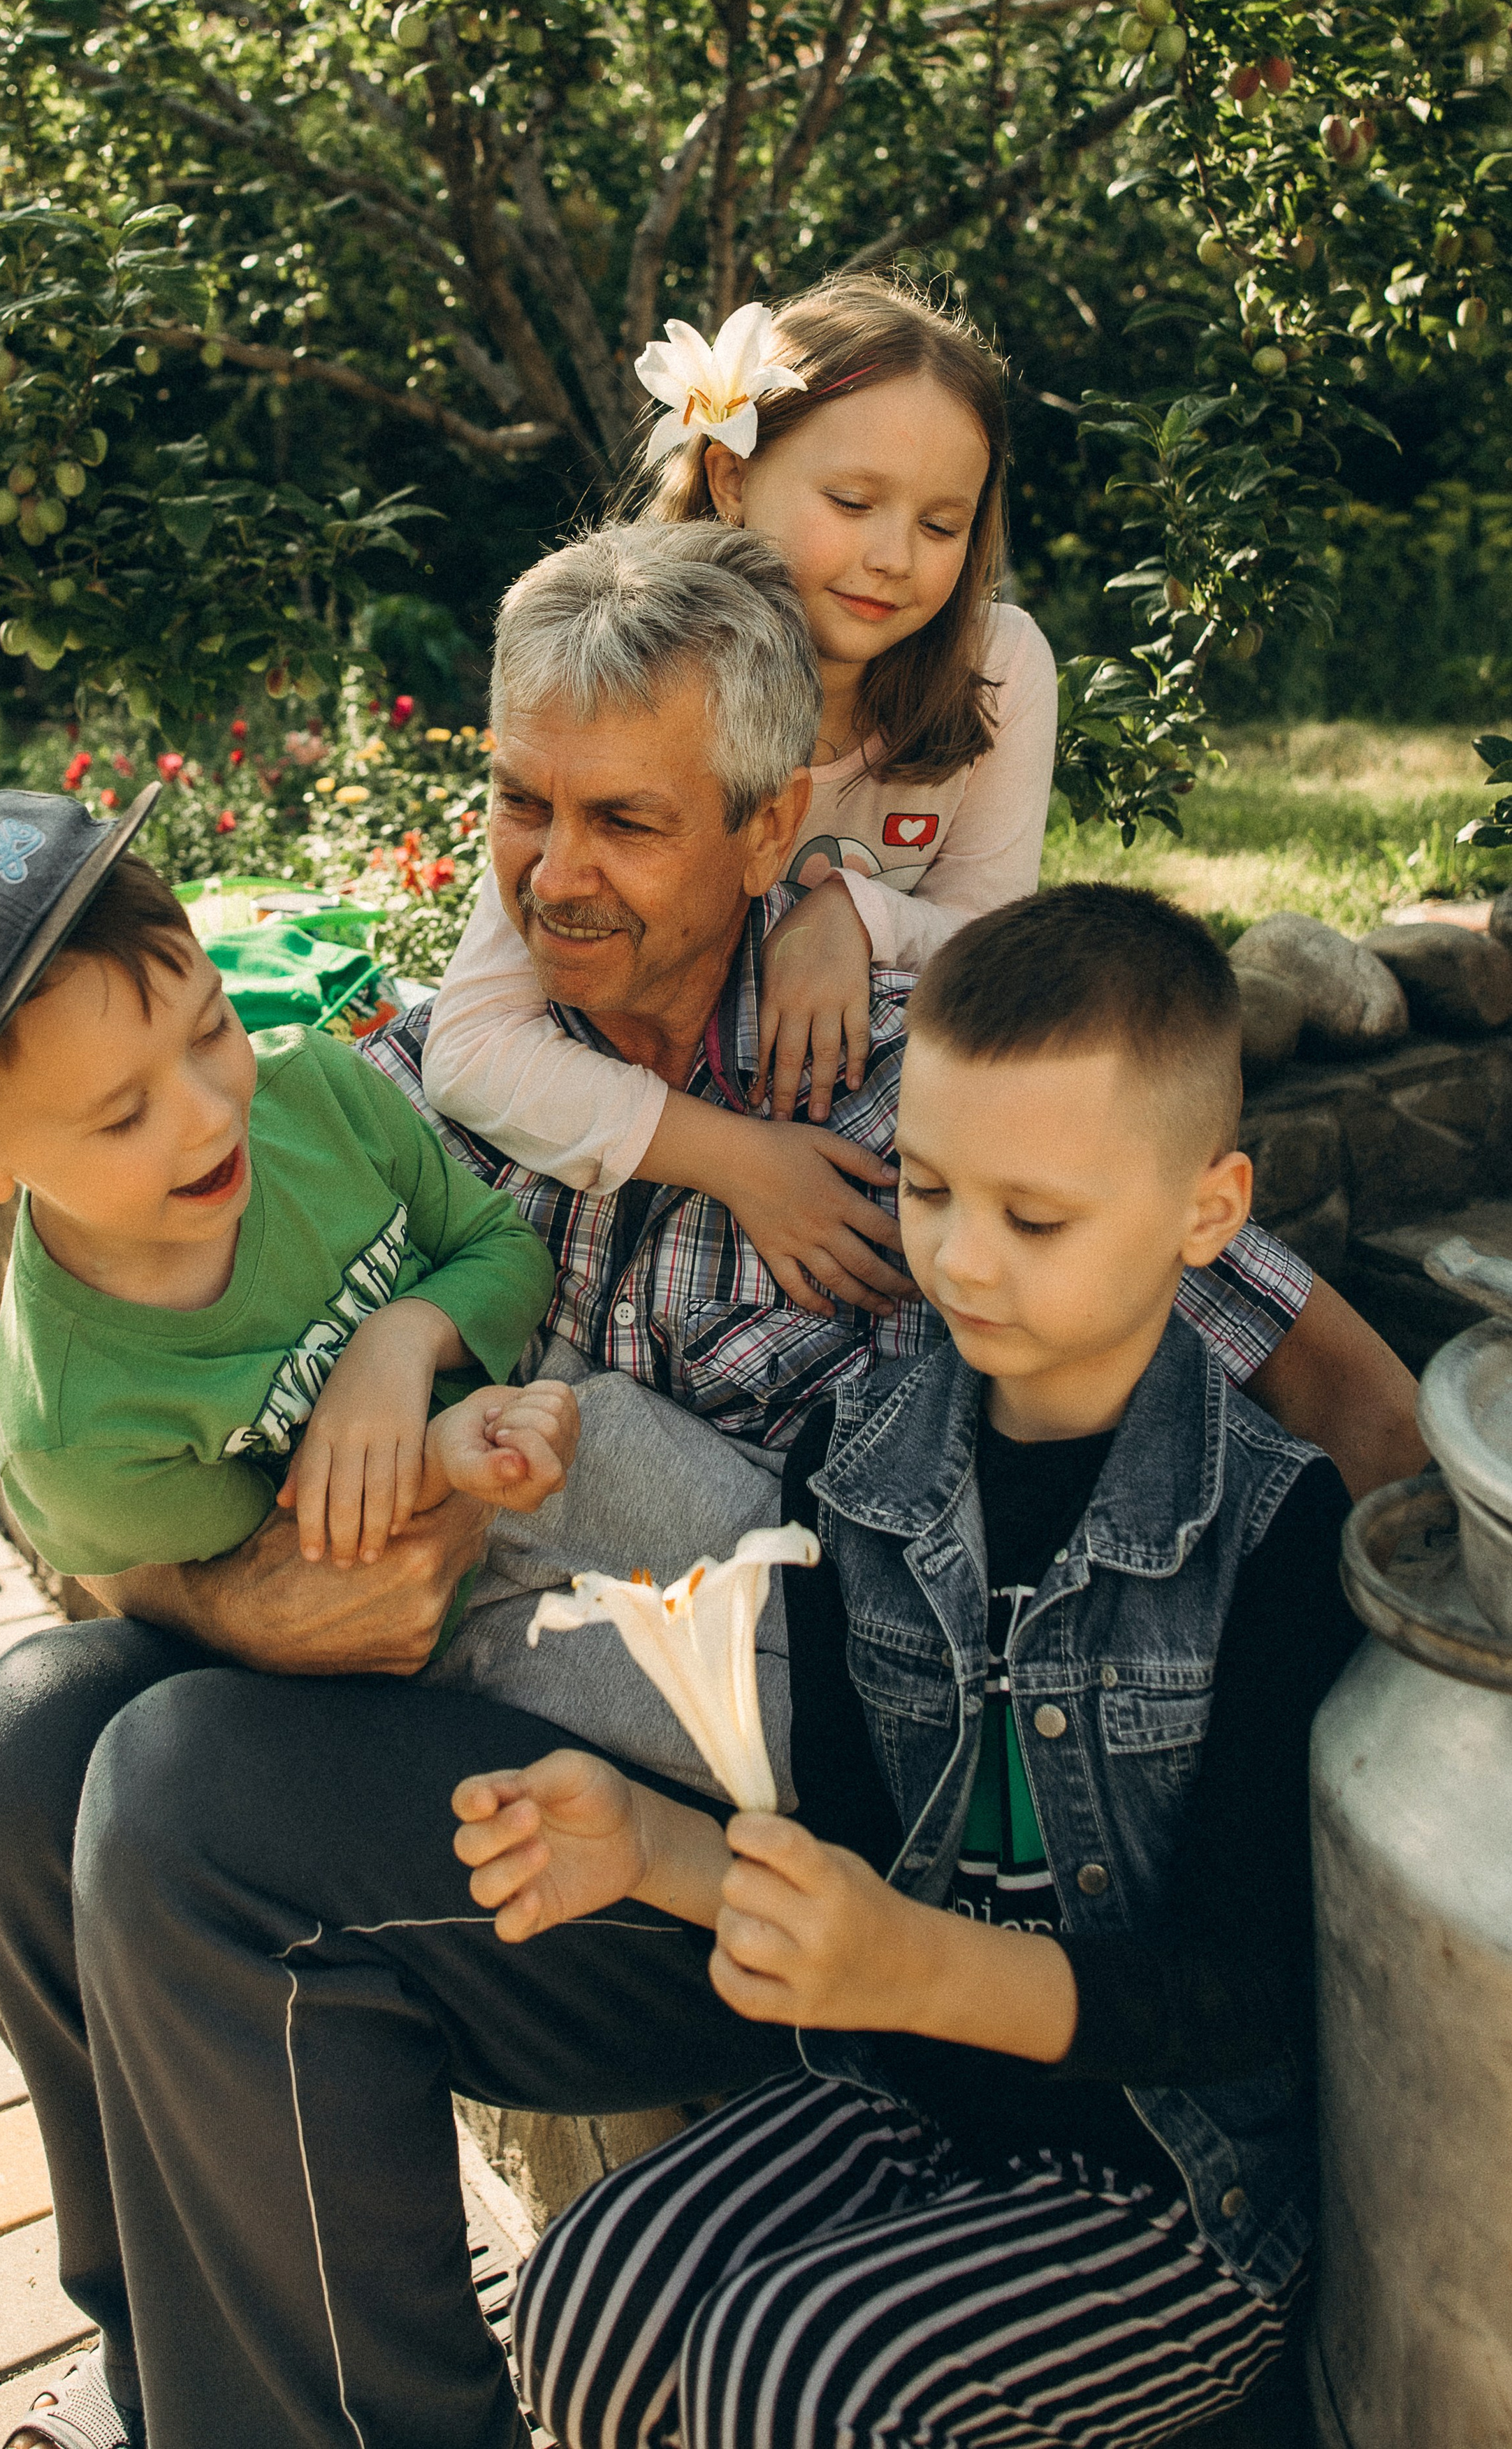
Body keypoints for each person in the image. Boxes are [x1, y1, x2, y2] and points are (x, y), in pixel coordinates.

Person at [0, 528, 1416, 2449]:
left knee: (192, 1807)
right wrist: (230, 1602)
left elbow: (1282, 1346)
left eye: (623, 819)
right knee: (18, 1752)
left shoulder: (923, 1104)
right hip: (470, 1677)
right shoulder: (436, 1071)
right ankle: (175, 2383)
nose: (554, 871)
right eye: (521, 803)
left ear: (773, 818)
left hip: (762, 1828)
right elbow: (140, 1477)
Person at [456, 884, 1362, 2449]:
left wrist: (912, 1970)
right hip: (907, 2098)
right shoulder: (855, 1473)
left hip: (1168, 2186)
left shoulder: (1269, 1535)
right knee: (585, 2300)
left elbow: (1246, 1993)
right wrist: (650, 1849)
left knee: (796, 2371)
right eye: (928, 1191)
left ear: (1206, 1214)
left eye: (1036, 1217)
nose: (962, 1260)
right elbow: (853, 1854)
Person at [420, 274, 1058, 1320]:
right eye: (851, 503)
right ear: (729, 474)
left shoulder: (1000, 668)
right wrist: (742, 1162)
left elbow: (1001, 948)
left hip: (869, 1096)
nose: (893, 557)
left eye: (943, 525)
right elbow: (477, 1046)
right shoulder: (636, 680)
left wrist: (853, 914)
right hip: (669, 1106)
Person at [0, 792, 572, 1594]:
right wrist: (441, 1456)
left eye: (211, 1029)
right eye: (124, 1116)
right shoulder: (84, 1438)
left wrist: (401, 1338)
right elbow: (296, 1586)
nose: (212, 1117)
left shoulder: (316, 1090)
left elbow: (508, 1251)